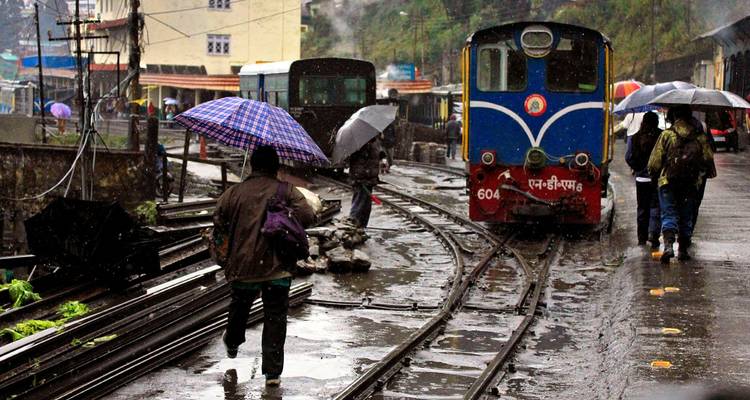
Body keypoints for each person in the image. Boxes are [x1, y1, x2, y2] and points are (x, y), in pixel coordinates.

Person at [213, 145, 315, 387]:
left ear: (252, 165)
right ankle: (272, 374)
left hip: (242, 267)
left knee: (239, 308)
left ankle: (233, 340)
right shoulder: (286, 191)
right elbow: (308, 216)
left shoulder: (233, 193)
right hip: (277, 268)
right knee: (275, 317)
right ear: (276, 167)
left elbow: (219, 222)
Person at [648, 105, 714, 263]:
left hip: (668, 182)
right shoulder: (699, 137)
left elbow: (654, 163)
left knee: (668, 213)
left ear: (673, 116)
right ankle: (683, 249)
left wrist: (655, 176)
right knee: (686, 215)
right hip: (690, 182)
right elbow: (708, 159)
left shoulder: (667, 135)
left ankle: (669, 246)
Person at [625, 111, 662, 248]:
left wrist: (638, 168)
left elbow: (628, 157)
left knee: (642, 208)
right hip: (657, 178)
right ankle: (653, 234)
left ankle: (641, 238)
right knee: (655, 207)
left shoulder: (635, 137)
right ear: (657, 122)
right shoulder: (661, 136)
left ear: (643, 122)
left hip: (641, 179)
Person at [349, 137, 381, 227]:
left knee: (366, 208)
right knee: (358, 206)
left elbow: (376, 154)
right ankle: (352, 227)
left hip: (370, 179)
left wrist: (383, 156)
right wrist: (359, 176)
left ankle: (362, 228)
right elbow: (357, 160)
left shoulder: (374, 141)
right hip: (361, 179)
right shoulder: (361, 141)